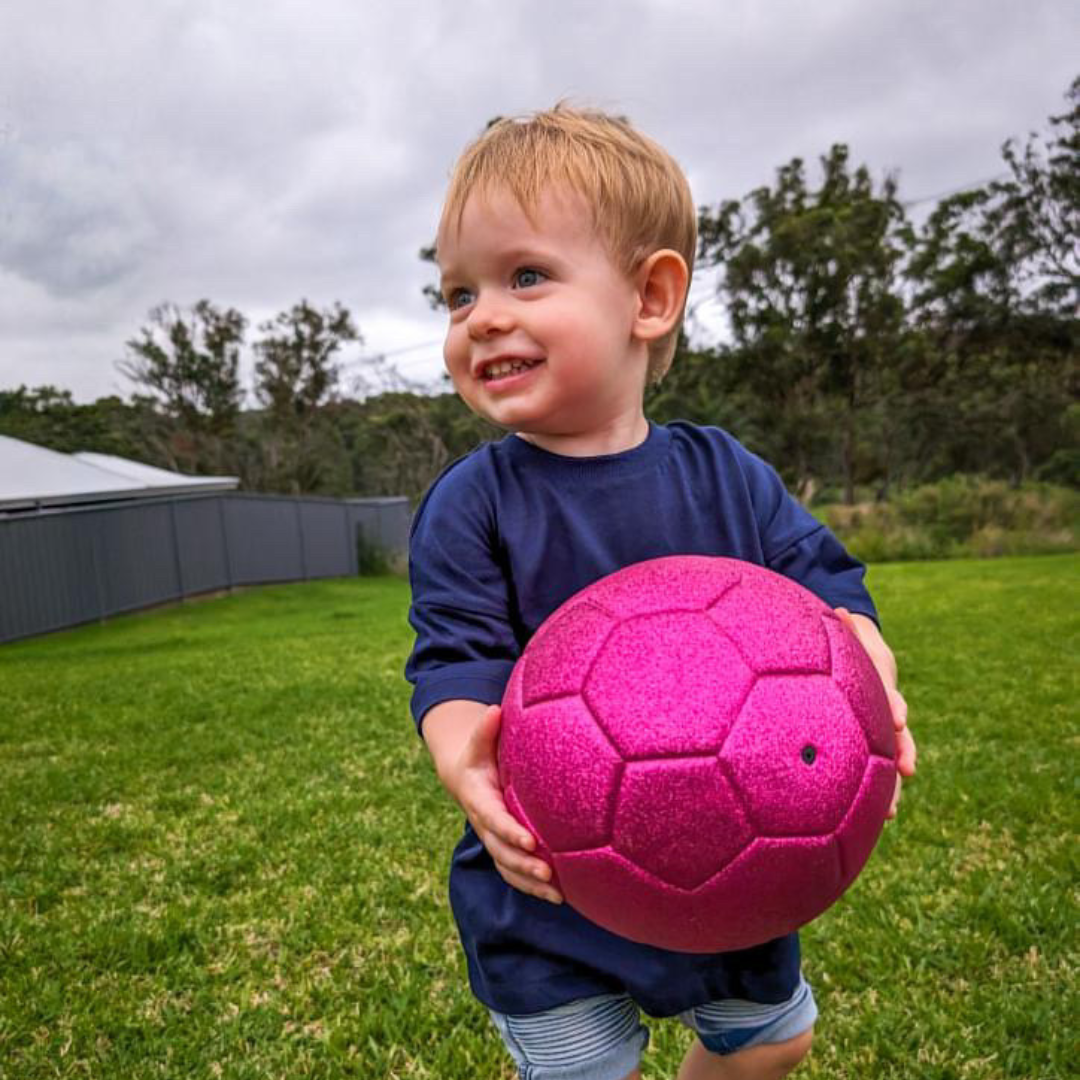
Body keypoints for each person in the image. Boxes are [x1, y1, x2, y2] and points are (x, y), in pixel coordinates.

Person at [405, 104, 916, 1080]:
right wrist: (463, 756)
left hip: (738, 846)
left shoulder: (726, 473)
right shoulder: (474, 503)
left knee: (774, 1041)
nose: (482, 317)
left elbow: (825, 584)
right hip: (554, 885)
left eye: (524, 276)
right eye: (458, 293)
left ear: (650, 296)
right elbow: (453, 656)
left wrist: (866, 661)